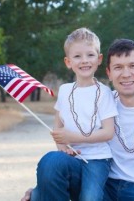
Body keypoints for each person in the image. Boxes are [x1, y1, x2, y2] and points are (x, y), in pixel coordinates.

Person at [21, 38, 134, 201]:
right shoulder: (99, 101)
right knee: (52, 161)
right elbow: (63, 137)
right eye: (118, 67)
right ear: (109, 73)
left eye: (133, 66)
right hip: (100, 183)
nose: (126, 74)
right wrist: (41, 191)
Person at [29, 27, 119, 201]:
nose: (84, 61)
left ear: (99, 59)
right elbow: (58, 125)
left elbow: (108, 132)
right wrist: (62, 146)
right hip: (72, 158)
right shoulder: (64, 90)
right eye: (77, 56)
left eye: (90, 55)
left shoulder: (104, 92)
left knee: (89, 197)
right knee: (48, 174)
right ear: (68, 62)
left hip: (97, 159)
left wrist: (73, 137)